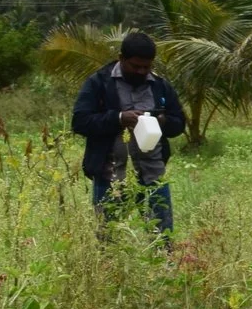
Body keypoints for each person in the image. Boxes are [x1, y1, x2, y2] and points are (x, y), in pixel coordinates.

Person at [71, 29, 186, 237]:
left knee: (162, 241)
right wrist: (119, 118)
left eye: (147, 66)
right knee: (108, 241)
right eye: (136, 66)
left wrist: (162, 121)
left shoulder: (160, 87)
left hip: (153, 176)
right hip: (111, 177)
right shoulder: (99, 83)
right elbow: (80, 122)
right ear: (121, 59)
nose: (142, 71)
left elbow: (179, 124)